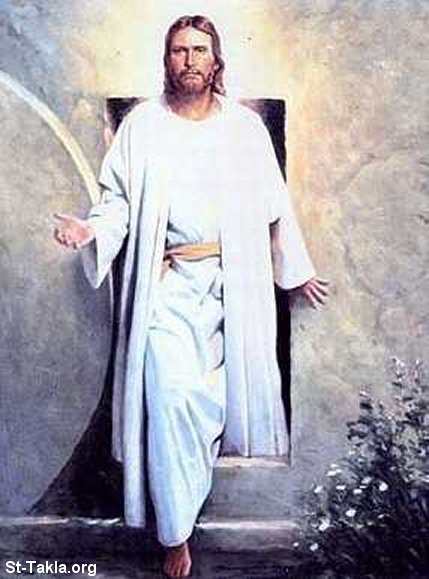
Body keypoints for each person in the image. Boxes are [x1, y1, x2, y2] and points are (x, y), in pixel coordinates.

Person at [54, 15, 329, 578]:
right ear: (167, 60)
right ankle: (175, 534)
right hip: (167, 287)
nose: (189, 60)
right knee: (172, 395)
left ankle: (187, 506)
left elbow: (276, 209)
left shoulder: (244, 130)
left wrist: (295, 272)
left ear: (216, 59)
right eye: (179, 50)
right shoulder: (142, 127)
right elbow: (117, 202)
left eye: (199, 50)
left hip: (231, 287)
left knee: (213, 402)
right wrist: (91, 231)